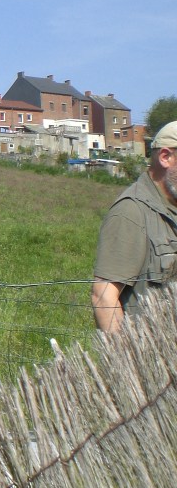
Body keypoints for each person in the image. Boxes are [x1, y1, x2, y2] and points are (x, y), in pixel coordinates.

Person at [92, 121, 177, 333]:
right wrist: (127, 361)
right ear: (166, 157)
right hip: (153, 357)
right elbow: (103, 297)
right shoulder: (131, 212)